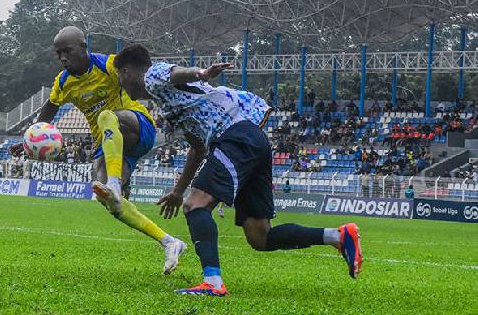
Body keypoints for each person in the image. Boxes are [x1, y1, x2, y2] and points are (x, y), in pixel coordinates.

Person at [115, 44, 362, 296]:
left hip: (235, 137)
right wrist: (178, 191)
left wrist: (201, 72)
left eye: (119, 79)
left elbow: (176, 72)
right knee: (260, 237)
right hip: (249, 139)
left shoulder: (153, 76)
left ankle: (212, 283)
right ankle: (338, 236)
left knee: (196, 206)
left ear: (126, 71)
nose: (121, 86)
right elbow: (198, 150)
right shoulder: (171, 104)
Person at [9, 26, 186, 274]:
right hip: (107, 145)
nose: (62, 58)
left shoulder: (108, 65)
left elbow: (141, 78)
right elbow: (49, 110)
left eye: (67, 51)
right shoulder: (63, 82)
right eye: (58, 53)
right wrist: (29, 137)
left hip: (136, 126)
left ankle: (115, 182)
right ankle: (169, 242)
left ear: (83, 47)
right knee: (109, 201)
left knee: (107, 116)